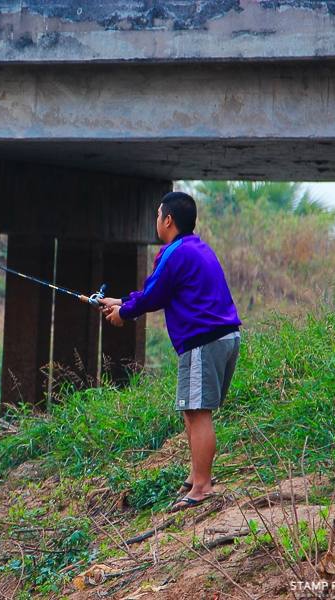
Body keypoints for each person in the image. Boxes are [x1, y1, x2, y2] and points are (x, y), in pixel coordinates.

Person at [99, 191, 242, 512]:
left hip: (203, 342)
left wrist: (124, 313)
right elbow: (156, 291)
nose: (156, 222)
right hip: (225, 337)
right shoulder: (196, 248)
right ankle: (196, 477)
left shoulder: (174, 253)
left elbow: (153, 296)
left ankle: (202, 487)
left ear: (168, 220)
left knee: (197, 411)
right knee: (192, 410)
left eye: (157, 216)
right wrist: (122, 302)